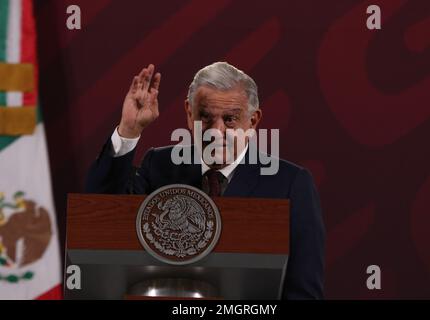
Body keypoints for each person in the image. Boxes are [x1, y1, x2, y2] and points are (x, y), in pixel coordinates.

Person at [86, 61, 325, 299]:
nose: (216, 131)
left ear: (253, 122)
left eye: (230, 119)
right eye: (205, 117)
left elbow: (302, 292)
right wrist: (128, 130)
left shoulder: (290, 184)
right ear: (190, 114)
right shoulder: (159, 165)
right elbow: (99, 219)